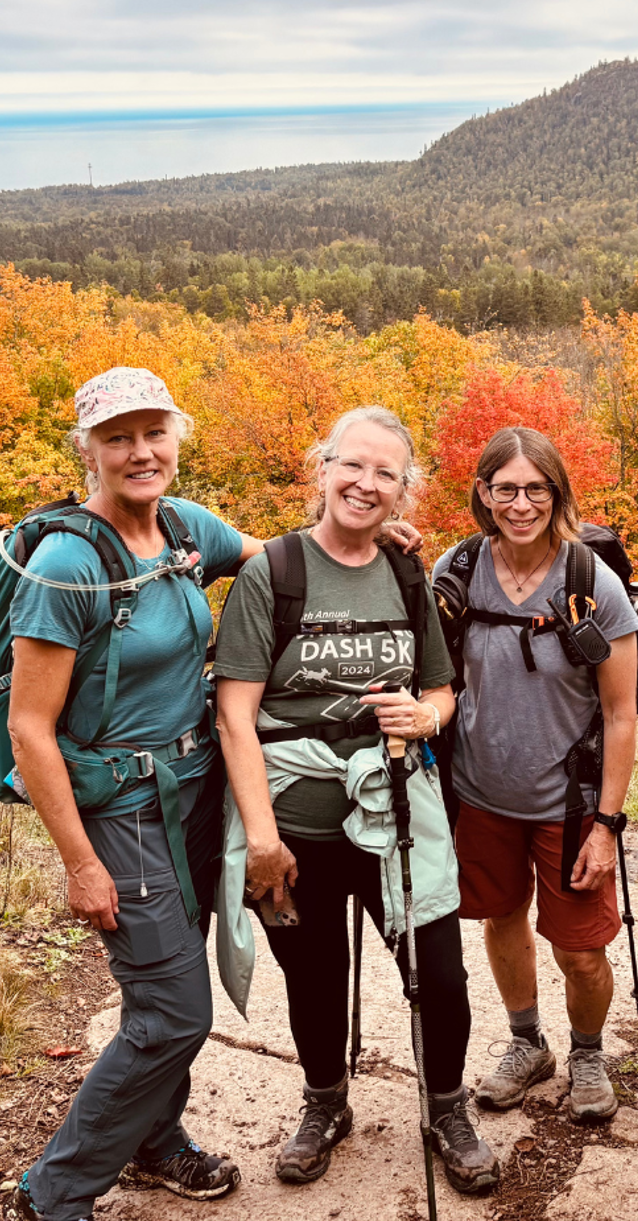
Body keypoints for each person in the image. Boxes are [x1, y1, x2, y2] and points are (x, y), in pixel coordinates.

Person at [211, 406, 501, 1196]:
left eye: (387, 473)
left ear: (404, 491)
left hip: (394, 817)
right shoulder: (274, 573)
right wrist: (263, 841)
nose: (366, 484)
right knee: (312, 978)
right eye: (353, 465)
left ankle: (446, 1108)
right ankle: (325, 1102)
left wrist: (427, 714)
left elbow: (442, 688)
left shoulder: (410, 573)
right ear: (323, 469)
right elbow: (235, 713)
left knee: (439, 974)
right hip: (294, 822)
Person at [6, 367, 247, 1220]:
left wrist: (376, 536)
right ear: (90, 451)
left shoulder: (186, 528)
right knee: (174, 1012)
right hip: (125, 812)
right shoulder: (68, 561)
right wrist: (78, 862)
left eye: (154, 432)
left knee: (165, 997)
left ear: (177, 437)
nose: (140, 451)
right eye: (119, 437)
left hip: (195, 798)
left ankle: (154, 1140)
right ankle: (55, 1191)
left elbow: (278, 559)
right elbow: (29, 727)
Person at [436, 427, 638, 1124]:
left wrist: (608, 826)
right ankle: (528, 1043)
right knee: (500, 918)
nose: (520, 503)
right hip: (480, 795)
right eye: (505, 488)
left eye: (535, 488)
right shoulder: (457, 570)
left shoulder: (592, 582)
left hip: (571, 804)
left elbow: (620, 713)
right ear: (483, 493)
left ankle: (587, 1052)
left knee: (581, 952)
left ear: (557, 494)